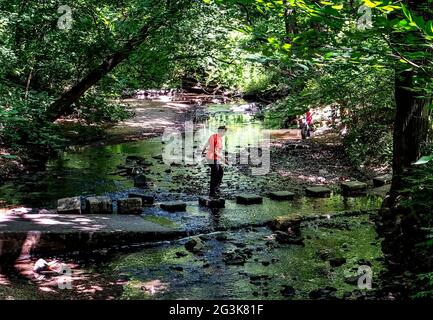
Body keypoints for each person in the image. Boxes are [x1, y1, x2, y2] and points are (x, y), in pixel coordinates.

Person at [202, 126, 228, 197]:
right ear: (221, 131)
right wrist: (223, 159)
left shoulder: (215, 137)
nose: (224, 133)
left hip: (213, 158)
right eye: (224, 132)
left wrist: (203, 151)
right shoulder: (216, 138)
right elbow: (215, 150)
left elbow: (207, 144)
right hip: (212, 158)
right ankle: (212, 192)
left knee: (220, 172)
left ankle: (216, 188)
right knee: (215, 175)